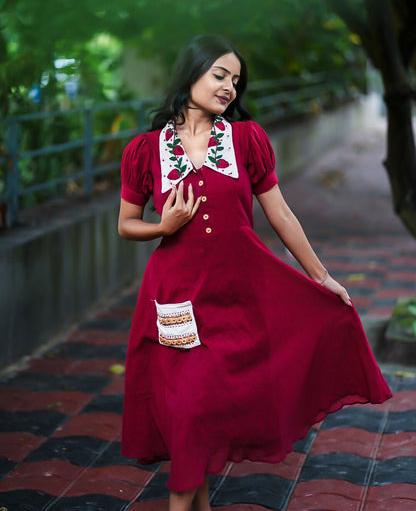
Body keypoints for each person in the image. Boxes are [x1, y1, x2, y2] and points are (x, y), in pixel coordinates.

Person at [118, 34, 392, 511]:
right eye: (219, 74)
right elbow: (125, 224)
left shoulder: (246, 139)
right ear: (191, 74)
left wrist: (321, 277)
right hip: (176, 300)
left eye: (235, 80)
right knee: (187, 420)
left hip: (238, 299)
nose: (228, 87)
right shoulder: (146, 150)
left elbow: (282, 215)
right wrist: (163, 225)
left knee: (196, 424)